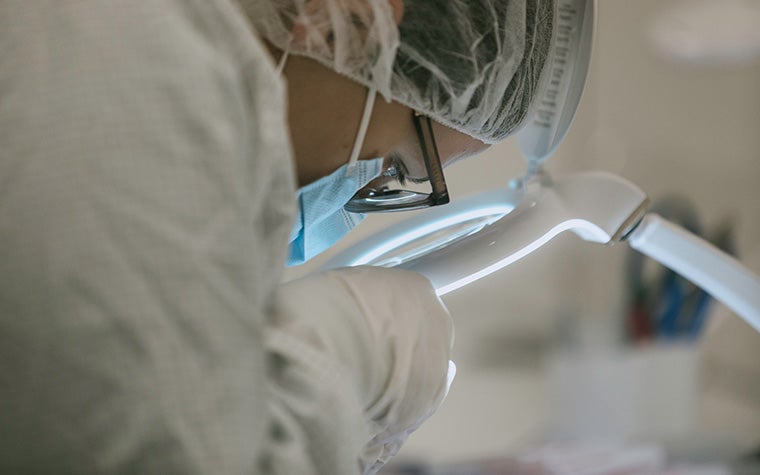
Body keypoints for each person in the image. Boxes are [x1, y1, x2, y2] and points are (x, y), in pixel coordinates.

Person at [0, 0, 554, 473]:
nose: (361, 192)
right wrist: (338, 352)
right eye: (396, 163)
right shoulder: (135, 69)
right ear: (354, 18)